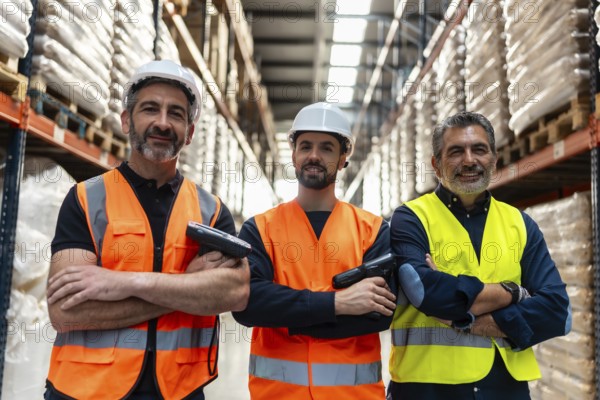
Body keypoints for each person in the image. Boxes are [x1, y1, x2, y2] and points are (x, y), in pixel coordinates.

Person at [44, 60, 250, 400]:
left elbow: (236, 293)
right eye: (150, 109)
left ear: (191, 131)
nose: (162, 122)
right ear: (127, 120)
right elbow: (66, 311)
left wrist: (125, 282)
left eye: (176, 114)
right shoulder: (85, 199)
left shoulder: (211, 211)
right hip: (86, 391)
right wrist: (186, 288)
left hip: (179, 390)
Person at [388, 111, 571, 399]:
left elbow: (557, 311)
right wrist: (513, 292)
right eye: (456, 151)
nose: (470, 160)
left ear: (494, 160)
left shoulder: (520, 224)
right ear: (436, 165)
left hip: (505, 389)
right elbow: (425, 291)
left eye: (479, 150)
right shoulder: (411, 218)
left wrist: (474, 322)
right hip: (427, 388)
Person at [232, 102, 397, 399]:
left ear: (343, 157)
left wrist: (287, 313)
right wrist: (339, 303)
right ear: (293, 155)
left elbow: (379, 314)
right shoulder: (259, 229)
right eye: (305, 146)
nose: (314, 156)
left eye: (327, 148)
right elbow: (248, 305)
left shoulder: (373, 231)